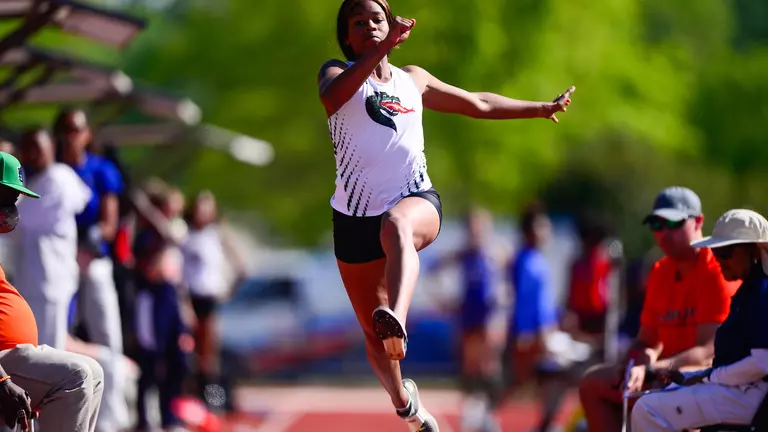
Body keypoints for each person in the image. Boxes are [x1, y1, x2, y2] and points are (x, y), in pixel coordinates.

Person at [319, 0, 575, 429]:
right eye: (358, 23)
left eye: (377, 19)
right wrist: (379, 51)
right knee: (372, 336)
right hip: (353, 218)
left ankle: (398, 319)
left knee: (397, 225)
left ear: (391, 24)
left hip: (415, 199)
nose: (369, 27)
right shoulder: (334, 73)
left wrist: (539, 108)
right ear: (346, 36)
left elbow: (479, 103)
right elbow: (333, 97)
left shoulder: (413, 80)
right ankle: (406, 405)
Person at [578, 186, 740, 432]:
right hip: (666, 372)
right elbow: (647, 340)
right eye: (656, 224)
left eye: (673, 223)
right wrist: (632, 364)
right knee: (593, 383)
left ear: (698, 221)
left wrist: (653, 369)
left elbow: (709, 352)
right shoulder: (660, 271)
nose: (664, 232)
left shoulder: (715, 269)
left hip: (710, 376)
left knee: (656, 393)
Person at [632, 209, 768, 431]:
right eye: (715, 251)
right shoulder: (750, 290)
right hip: (740, 390)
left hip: (753, 395)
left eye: (725, 252)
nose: (719, 260)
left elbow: (762, 362)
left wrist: (712, 376)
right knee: (659, 396)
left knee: (647, 409)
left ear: (753, 250)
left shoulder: (762, 291)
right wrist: (696, 375)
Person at [0, 151, 104, 431]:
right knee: (76, 376)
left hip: (11, 355)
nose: (13, 206)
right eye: (7, 196)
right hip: (3, 362)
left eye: (15, 198)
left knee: (94, 372)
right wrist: (2, 380)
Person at [54, 108, 128, 432]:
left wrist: (89, 245)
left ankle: (110, 416)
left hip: (94, 259)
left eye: (76, 130)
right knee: (59, 331)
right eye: (66, 130)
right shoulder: (54, 170)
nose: (71, 137)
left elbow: (110, 223)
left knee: (107, 334)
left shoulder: (101, 169)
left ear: (87, 134)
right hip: (61, 261)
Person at [15, 128, 92, 350]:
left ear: (52, 147)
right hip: (32, 280)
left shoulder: (58, 178)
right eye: (26, 148)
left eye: (36, 147)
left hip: (50, 279)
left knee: (49, 349)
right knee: (34, 348)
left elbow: (19, 219)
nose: (31, 153)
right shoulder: (34, 181)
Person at [428, 208, 504, 432]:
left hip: (489, 318)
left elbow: (511, 281)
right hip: (468, 317)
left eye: (480, 228)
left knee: (490, 368)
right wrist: (443, 301)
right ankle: (473, 410)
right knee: (470, 368)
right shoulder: (462, 255)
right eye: (472, 228)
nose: (476, 233)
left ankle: (487, 412)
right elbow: (433, 270)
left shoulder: (497, 253)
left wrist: (504, 302)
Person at [181, 190, 244, 412]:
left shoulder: (216, 234)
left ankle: (214, 399)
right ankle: (192, 397)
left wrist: (229, 290)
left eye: (208, 208)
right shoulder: (185, 234)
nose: (204, 213)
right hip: (189, 298)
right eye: (201, 207)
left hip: (209, 298)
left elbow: (241, 267)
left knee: (209, 354)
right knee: (191, 351)